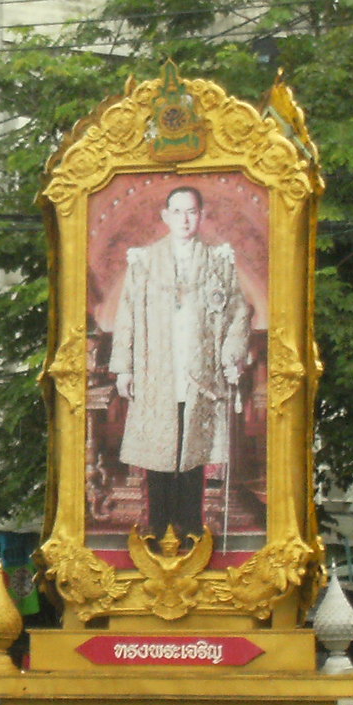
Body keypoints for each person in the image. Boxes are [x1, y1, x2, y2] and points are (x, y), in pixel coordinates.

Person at [106, 185, 252, 541]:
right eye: (178, 212)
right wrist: (124, 367)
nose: (185, 219)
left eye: (192, 212)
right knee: (159, 453)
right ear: (166, 216)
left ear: (201, 216)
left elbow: (237, 314)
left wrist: (231, 357)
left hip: (199, 370)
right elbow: (127, 314)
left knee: (192, 452)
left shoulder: (219, 261)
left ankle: (189, 528)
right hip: (156, 369)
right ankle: (158, 528)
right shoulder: (144, 261)